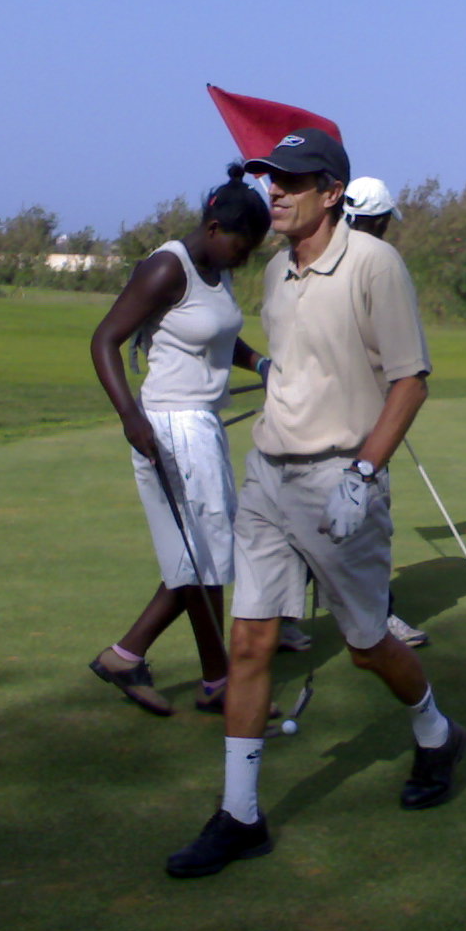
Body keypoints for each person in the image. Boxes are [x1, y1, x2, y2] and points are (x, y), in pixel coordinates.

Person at [166, 129, 466, 878]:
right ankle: (240, 816)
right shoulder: (273, 272)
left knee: (367, 646)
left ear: (332, 192)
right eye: (273, 179)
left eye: (294, 182)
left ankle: (435, 731)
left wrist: (364, 474)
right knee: (250, 645)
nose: (276, 192)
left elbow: (411, 380)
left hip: (339, 478)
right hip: (268, 476)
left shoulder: (374, 263)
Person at [88, 165, 271, 717]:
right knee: (206, 555)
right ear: (214, 226)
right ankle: (218, 678)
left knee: (195, 556)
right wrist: (129, 416)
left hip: (199, 422)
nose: (247, 256)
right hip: (170, 425)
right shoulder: (169, 266)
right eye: (243, 244)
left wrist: (260, 361)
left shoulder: (217, 268)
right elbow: (105, 340)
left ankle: (126, 657)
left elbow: (218, 332)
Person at [344, 175, 428, 648]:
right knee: (367, 514)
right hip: (360, 417)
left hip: (321, 411)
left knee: (304, 513)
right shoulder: (380, 264)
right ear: (377, 220)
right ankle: (380, 618)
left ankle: (286, 621)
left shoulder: (316, 256)